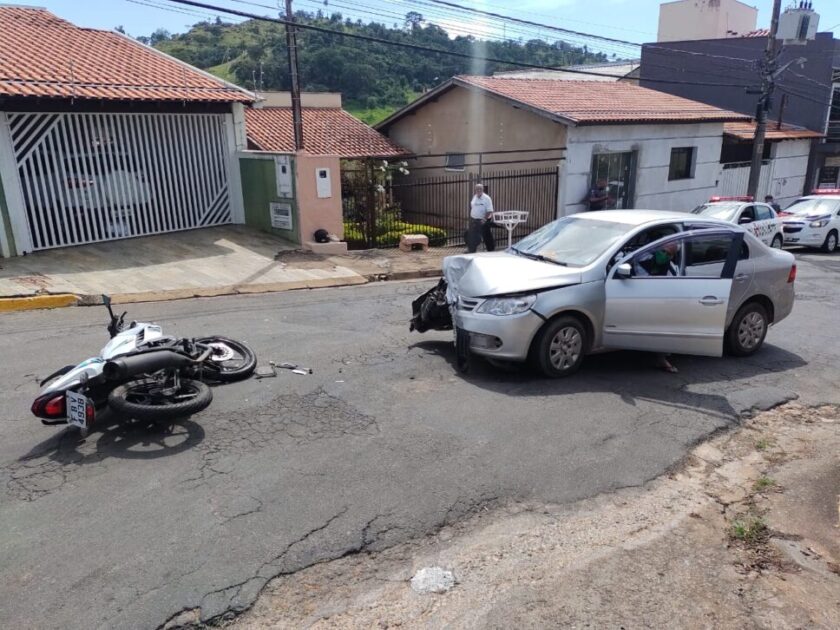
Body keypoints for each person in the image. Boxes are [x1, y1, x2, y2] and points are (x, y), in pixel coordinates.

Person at [466, 183, 495, 253]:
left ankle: (491, 251)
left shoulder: (487, 198)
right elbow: (473, 207)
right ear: (475, 190)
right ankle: (472, 250)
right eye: (477, 189)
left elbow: (490, 210)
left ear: (482, 189)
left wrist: (484, 220)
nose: (478, 190)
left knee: (487, 236)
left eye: (480, 189)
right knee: (472, 235)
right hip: (475, 220)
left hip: (484, 220)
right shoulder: (474, 197)